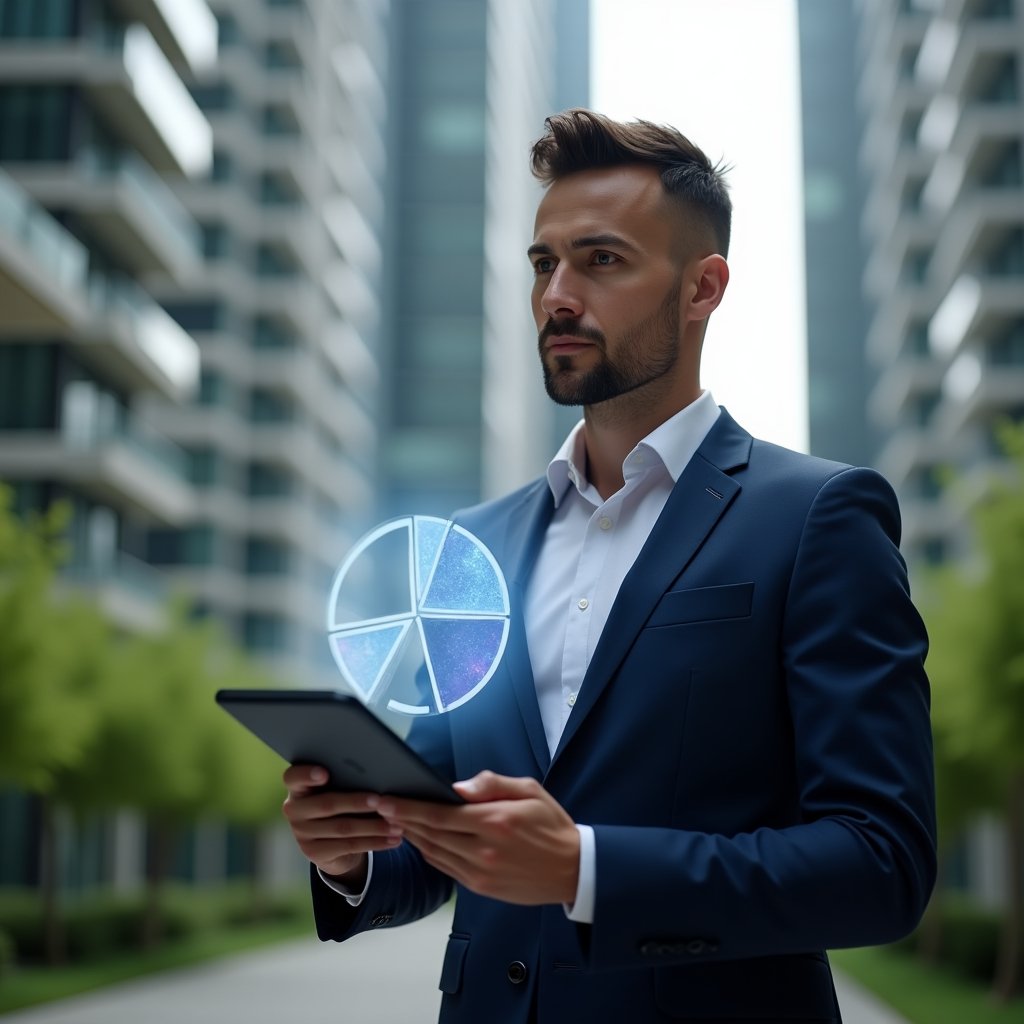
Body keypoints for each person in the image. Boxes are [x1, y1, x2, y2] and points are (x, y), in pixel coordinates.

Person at [283, 108, 936, 1023]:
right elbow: (442, 840)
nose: (556, 294)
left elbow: (882, 863)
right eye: (544, 263)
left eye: (602, 260)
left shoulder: (818, 517)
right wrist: (350, 855)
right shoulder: (479, 545)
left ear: (703, 288)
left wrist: (588, 870)